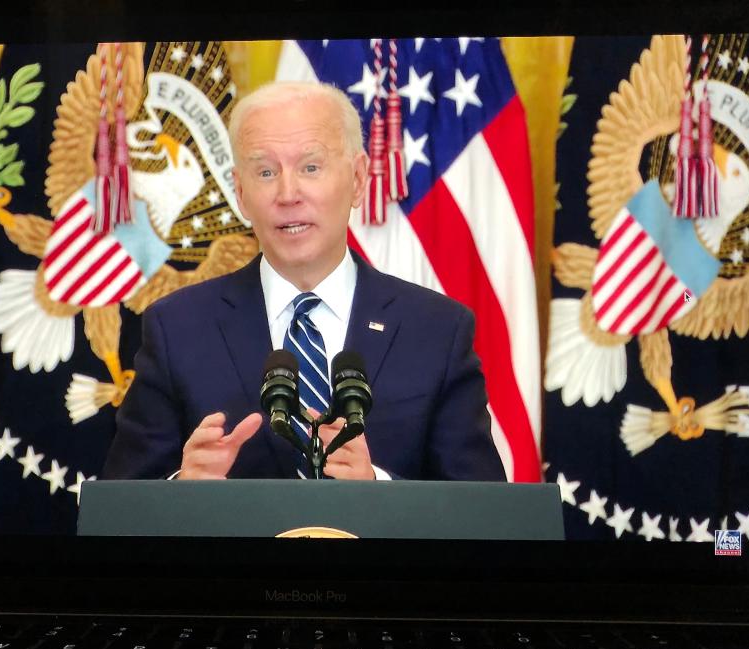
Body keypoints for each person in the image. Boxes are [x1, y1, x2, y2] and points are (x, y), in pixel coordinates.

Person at [101, 81, 505, 482]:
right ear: (240, 193)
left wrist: (380, 491)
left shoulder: (436, 330)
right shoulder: (177, 328)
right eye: (265, 172)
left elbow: (482, 510)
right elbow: (118, 506)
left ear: (359, 178)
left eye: (310, 167)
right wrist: (180, 491)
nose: (288, 193)